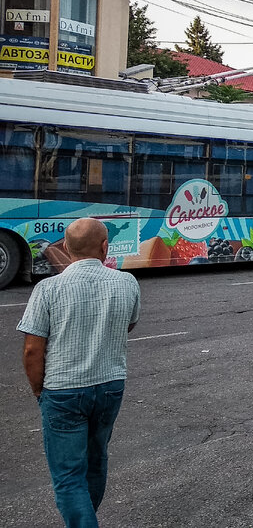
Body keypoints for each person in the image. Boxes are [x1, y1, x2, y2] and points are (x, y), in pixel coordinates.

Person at [17, 218, 141, 527]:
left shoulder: (48, 289)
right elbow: (128, 324)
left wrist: (39, 390)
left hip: (63, 391)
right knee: (95, 462)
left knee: (69, 477)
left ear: (66, 248)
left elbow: (33, 350)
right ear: (104, 247)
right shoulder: (127, 282)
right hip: (111, 386)